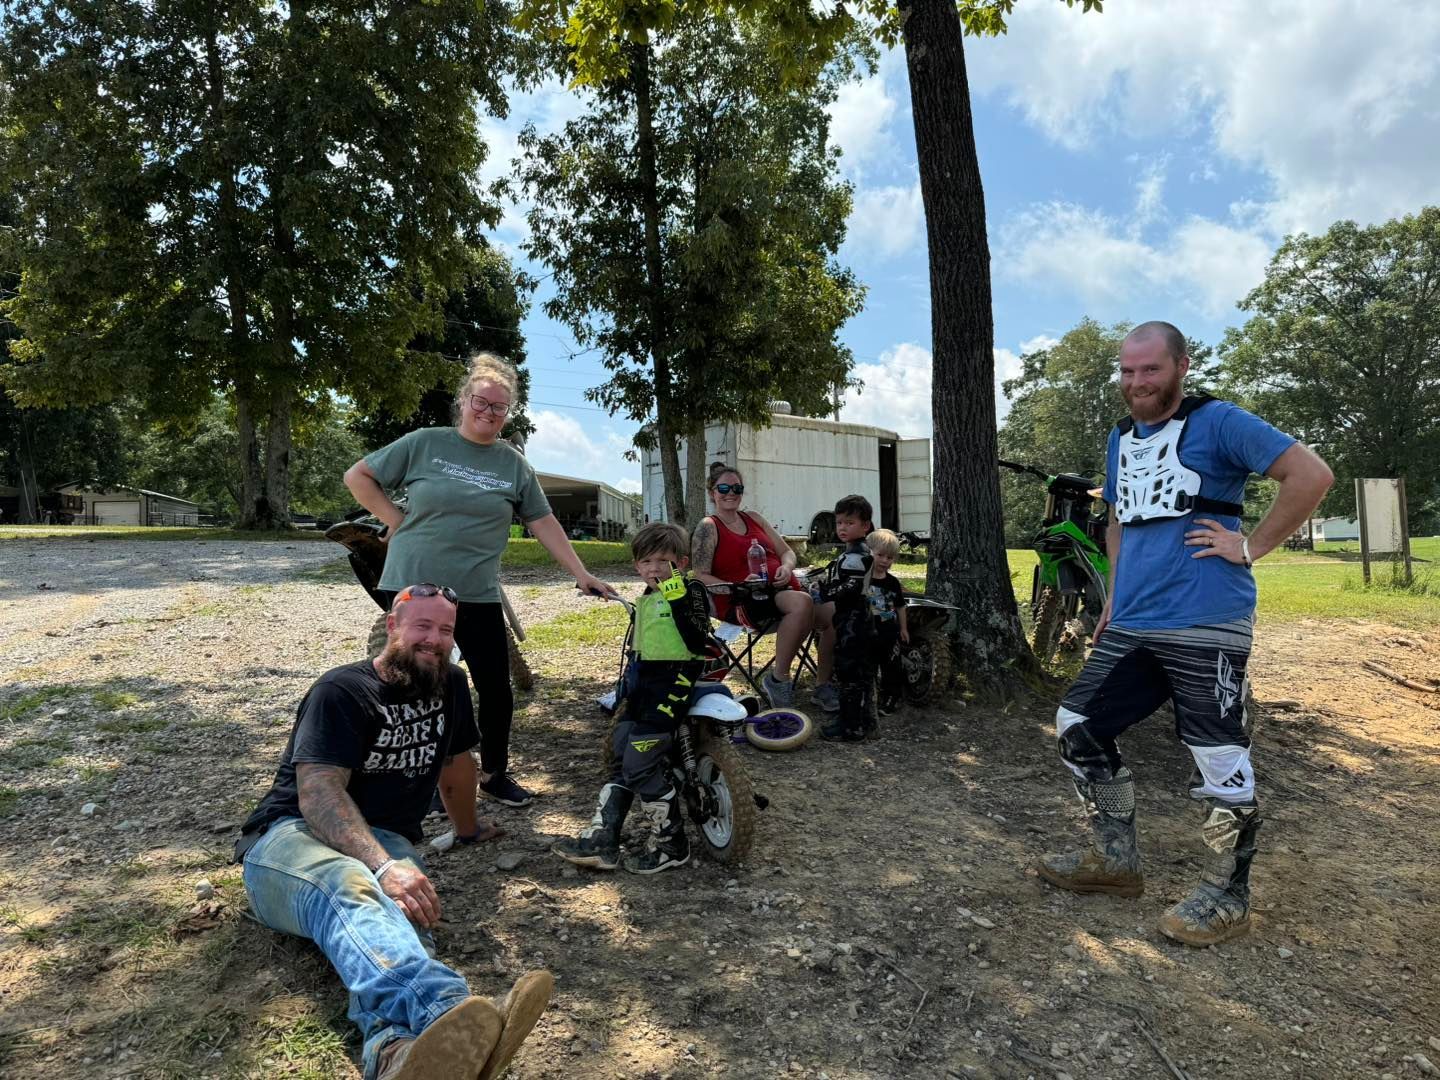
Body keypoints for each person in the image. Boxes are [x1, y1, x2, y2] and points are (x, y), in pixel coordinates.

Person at [1037, 320, 1333, 947]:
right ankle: (1115, 860)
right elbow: (1118, 521)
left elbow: (1311, 475)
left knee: (1218, 753)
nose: (1137, 381)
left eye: (1150, 369)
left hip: (1206, 618)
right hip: (1135, 618)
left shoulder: (1220, 422)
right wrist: (1114, 595)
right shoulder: (1121, 438)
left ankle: (1229, 893)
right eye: (1127, 370)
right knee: (1078, 724)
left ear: (1180, 366)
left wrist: (1248, 546)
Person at [235, 584, 553, 1080]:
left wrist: (466, 830)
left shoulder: (450, 683)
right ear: (393, 626)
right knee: (349, 884)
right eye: (422, 626)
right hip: (288, 840)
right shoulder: (341, 690)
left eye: (446, 630)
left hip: (387, 842)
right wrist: (384, 865)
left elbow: (455, 765)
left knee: (400, 924)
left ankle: (396, 1056)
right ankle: (448, 1009)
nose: (434, 639)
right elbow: (318, 793)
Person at [344, 352, 613, 808]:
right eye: (480, 402)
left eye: (498, 408)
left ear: (507, 415)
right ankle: (419, 775)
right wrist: (395, 518)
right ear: (464, 401)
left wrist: (581, 573)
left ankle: (493, 772)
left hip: (476, 589)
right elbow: (359, 475)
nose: (487, 412)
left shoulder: (512, 465)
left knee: (494, 686)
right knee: (415, 679)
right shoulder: (425, 442)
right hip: (415, 585)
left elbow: (543, 521)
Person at [553, 522, 712, 874]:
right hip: (642, 685)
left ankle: (673, 843)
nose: (654, 569)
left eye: (663, 561)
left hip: (673, 682)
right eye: (645, 561)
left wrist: (678, 595)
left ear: (682, 563)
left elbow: (697, 639)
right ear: (636, 566)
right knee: (620, 751)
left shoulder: (690, 589)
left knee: (640, 763)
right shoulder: (646, 597)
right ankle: (603, 839)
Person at [690, 463, 816, 709]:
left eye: (737, 488)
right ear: (712, 492)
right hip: (743, 600)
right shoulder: (709, 526)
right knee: (803, 603)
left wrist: (786, 568)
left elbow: (787, 552)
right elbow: (700, 575)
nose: (731, 492)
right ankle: (778, 679)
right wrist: (736, 586)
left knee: (829, 611)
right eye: (723, 487)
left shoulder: (754, 518)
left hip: (782, 591)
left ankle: (823, 686)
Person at [817, 495, 880, 742]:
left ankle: (850, 725)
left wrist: (826, 592)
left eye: (849, 523)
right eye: (839, 522)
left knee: (850, 672)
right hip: (853, 619)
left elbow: (851, 587)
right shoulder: (855, 552)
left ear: (865, 526)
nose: (843, 527)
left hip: (854, 621)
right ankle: (864, 721)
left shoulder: (857, 555)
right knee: (858, 673)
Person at [864, 529, 911, 715]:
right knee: (869, 664)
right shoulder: (863, 580)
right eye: (880, 555)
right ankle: (869, 697)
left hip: (890, 632)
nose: (884, 561)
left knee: (891, 665)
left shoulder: (893, 582)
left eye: (890, 557)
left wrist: (904, 628)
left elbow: (900, 606)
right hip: (867, 631)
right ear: (869, 553)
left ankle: (892, 697)